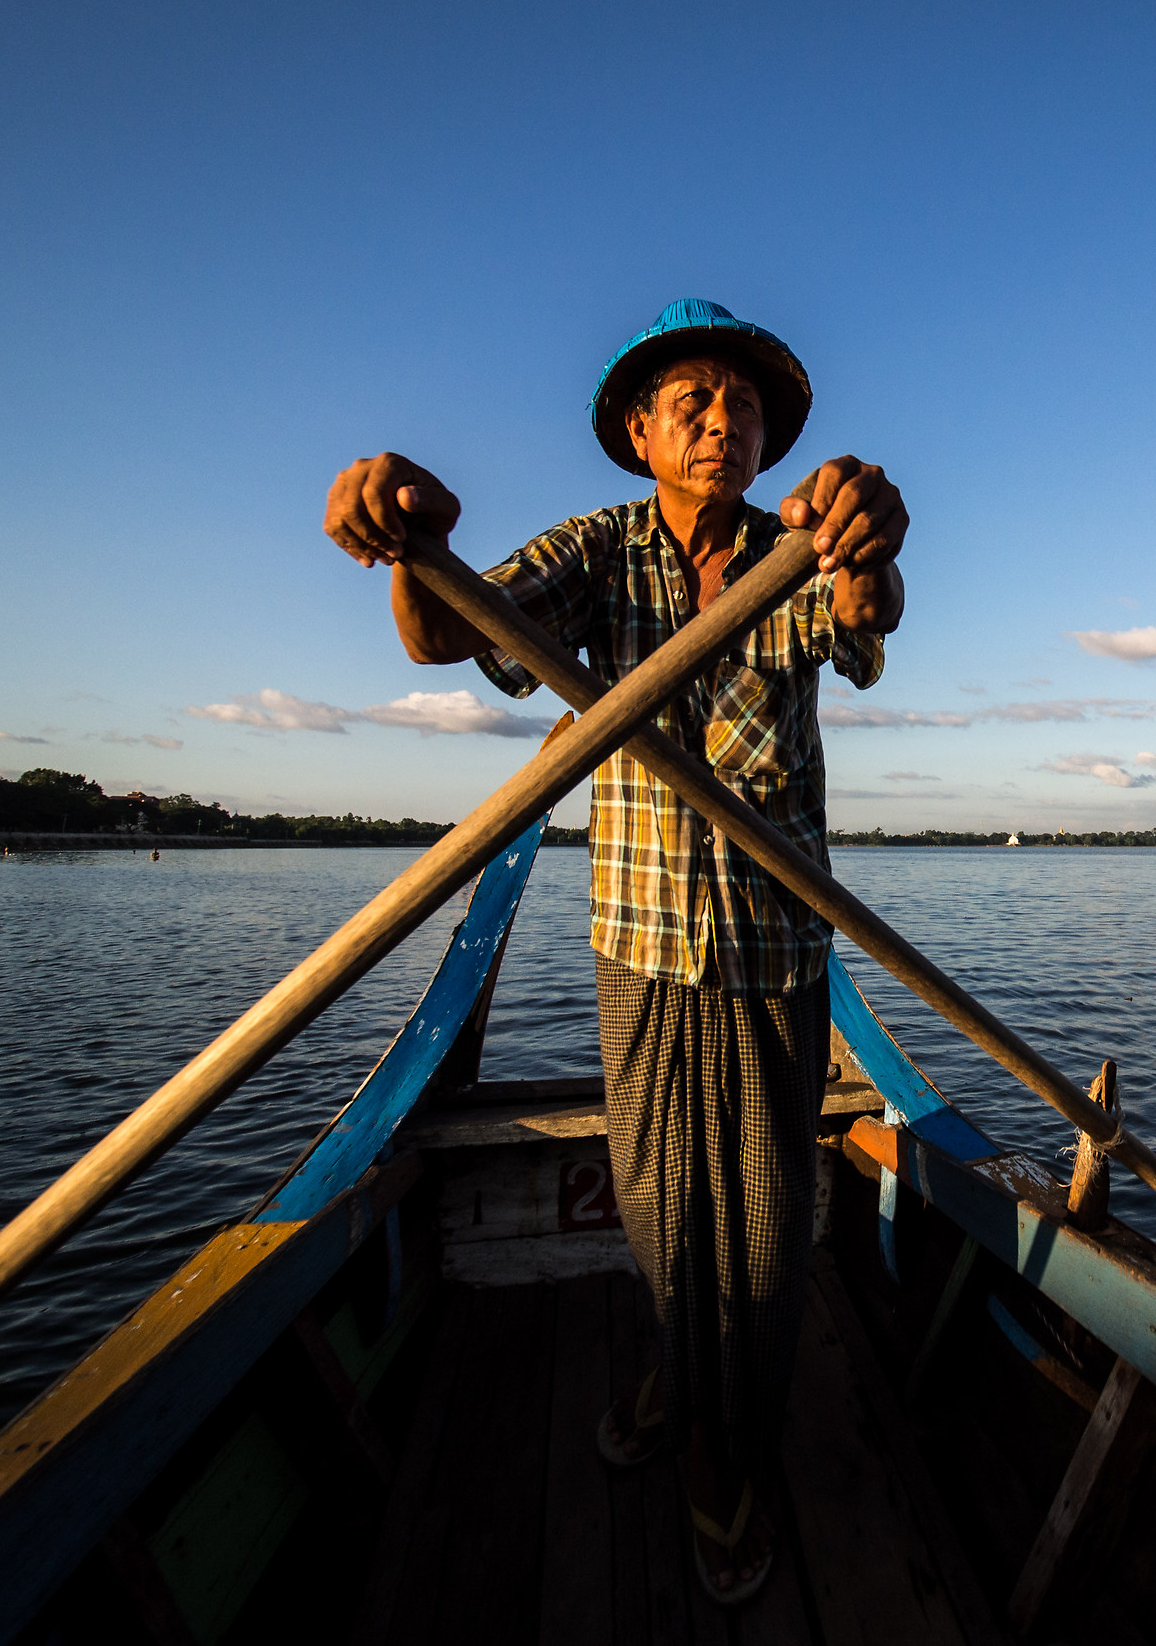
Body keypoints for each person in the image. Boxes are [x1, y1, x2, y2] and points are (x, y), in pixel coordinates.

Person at [321, 298, 906, 1606]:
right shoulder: (601, 548)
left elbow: (865, 622)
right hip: (641, 933)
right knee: (657, 1205)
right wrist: (413, 541)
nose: (720, 419)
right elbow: (457, 630)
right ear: (640, 432)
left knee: (760, 1228)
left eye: (740, 403)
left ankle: (725, 1447)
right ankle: (675, 1375)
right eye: (690, 401)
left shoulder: (794, 547)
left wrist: (872, 542)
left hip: (771, 938)